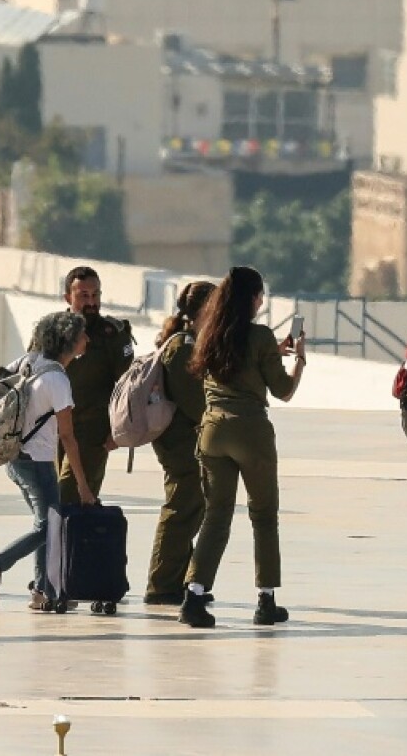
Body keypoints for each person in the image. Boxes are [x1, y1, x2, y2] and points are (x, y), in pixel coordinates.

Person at [179, 266, 305, 629]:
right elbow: (283, 390)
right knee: (263, 515)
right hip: (251, 432)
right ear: (252, 299)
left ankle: (194, 595)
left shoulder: (208, 335)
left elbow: (236, 363)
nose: (262, 300)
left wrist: (270, 351)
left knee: (216, 517)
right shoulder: (260, 336)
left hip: (213, 431)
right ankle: (266, 600)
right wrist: (298, 359)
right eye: (260, 295)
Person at [0, 312, 96, 611]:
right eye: (82, 335)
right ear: (69, 341)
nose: (87, 340)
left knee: (44, 524)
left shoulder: (26, 362)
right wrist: (83, 485)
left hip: (13, 457)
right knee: (49, 528)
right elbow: (67, 438)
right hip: (37, 463)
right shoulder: (57, 380)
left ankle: (42, 592)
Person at [143, 281, 215, 605]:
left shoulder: (192, 343)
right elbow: (196, 402)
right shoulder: (182, 348)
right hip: (180, 443)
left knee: (190, 509)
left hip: (187, 441)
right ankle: (161, 585)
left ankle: (178, 579)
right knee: (179, 511)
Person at [57, 266, 134, 505]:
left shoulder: (113, 333)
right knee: (53, 503)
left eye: (95, 295)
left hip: (92, 432)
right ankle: (59, 543)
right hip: (54, 428)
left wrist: (118, 429)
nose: (91, 302)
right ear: (68, 298)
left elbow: (128, 385)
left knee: (70, 496)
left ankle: (66, 542)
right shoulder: (53, 330)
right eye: (83, 296)